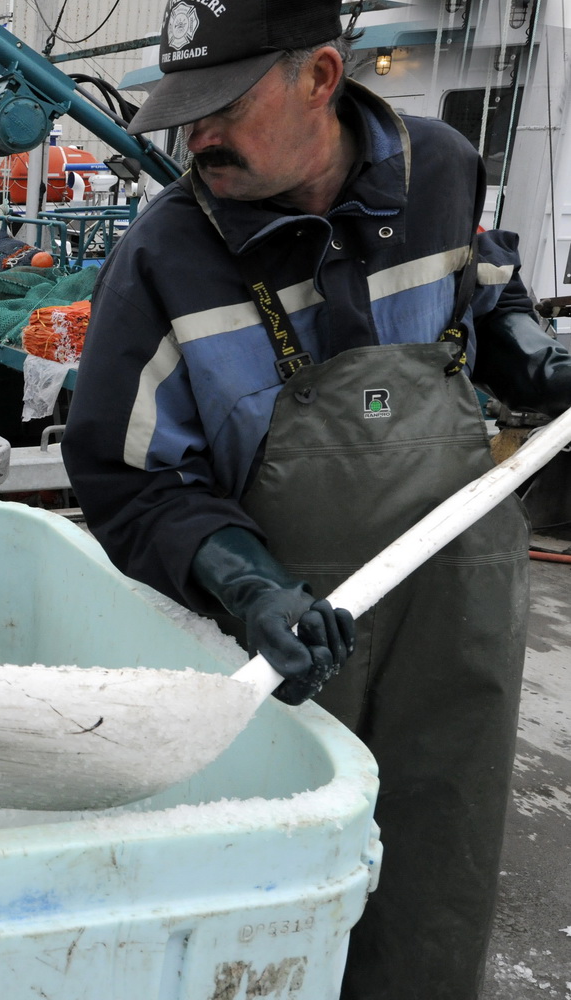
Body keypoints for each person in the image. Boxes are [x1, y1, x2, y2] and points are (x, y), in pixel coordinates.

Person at [61, 0, 571, 996]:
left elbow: (487, 280)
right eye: (183, 110)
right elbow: (127, 478)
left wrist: (524, 345)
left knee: (437, 872)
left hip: (455, 608)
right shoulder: (166, 253)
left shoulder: (442, 170)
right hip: (292, 637)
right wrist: (244, 583)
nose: (196, 136)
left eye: (221, 106)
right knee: (272, 903)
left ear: (322, 77)